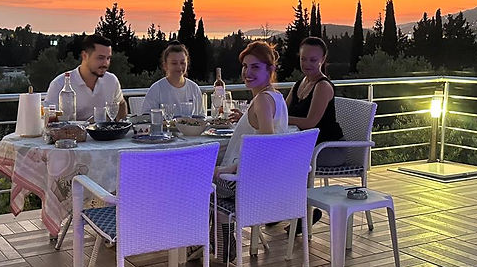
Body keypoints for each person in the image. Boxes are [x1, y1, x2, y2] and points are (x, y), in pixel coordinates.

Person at [214, 40, 288, 185]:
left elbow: (267, 146)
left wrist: (230, 168)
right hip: (267, 179)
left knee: (189, 173)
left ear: (270, 70)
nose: (247, 72)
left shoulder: (262, 100)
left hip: (244, 181)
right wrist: (246, 119)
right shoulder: (277, 96)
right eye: (245, 66)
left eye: (255, 67)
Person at [284, 36, 345, 168]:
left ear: (322, 60)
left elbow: (309, 123)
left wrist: (280, 118)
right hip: (306, 146)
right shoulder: (299, 84)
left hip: (327, 148)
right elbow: (281, 110)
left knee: (281, 157)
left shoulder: (322, 86)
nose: (307, 64)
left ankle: (294, 189)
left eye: (313, 60)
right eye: (303, 59)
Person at [45, 34, 126, 122]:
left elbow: (121, 103)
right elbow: (48, 117)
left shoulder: (111, 80)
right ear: (84, 56)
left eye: (108, 58)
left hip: (105, 134)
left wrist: (121, 126)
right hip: (71, 135)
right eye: (100, 58)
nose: (105, 63)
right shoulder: (59, 84)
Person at [141, 43, 205, 116]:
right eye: (174, 63)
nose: (179, 67)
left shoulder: (194, 89)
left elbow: (200, 117)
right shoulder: (156, 89)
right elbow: (147, 117)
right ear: (165, 65)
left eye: (182, 63)